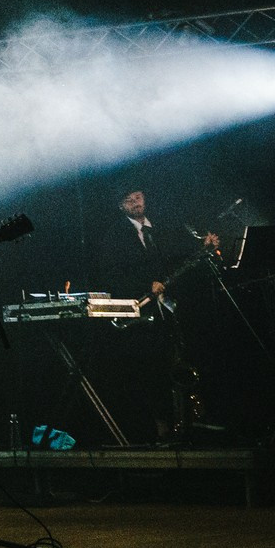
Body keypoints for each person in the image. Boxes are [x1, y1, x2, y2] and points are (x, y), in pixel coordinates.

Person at [93, 186, 220, 442]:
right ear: (121, 206)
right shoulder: (113, 237)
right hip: (143, 315)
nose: (135, 203)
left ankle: (190, 420)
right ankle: (161, 427)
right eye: (128, 200)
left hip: (173, 309)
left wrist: (204, 247)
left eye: (138, 197)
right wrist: (144, 285)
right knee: (153, 370)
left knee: (184, 359)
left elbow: (178, 259)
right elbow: (111, 275)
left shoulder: (161, 228)